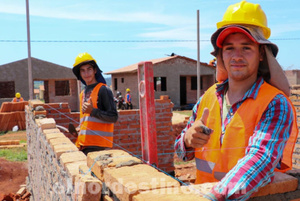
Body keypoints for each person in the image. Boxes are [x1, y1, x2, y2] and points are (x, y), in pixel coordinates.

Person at [174, 1, 298, 200]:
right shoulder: (208, 97)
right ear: (221, 55)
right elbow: (181, 152)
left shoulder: (275, 103)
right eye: (229, 48)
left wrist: (214, 198)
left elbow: (260, 160)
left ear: (261, 54)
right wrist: (188, 141)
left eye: (246, 48)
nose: (236, 56)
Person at [72, 52, 118, 155]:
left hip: (99, 148)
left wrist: (93, 111)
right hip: (84, 145)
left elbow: (113, 117)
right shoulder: (82, 94)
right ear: (79, 74)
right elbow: (88, 120)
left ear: (95, 70)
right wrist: (80, 129)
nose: (86, 74)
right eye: (83, 71)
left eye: (89, 69)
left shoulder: (103, 90)